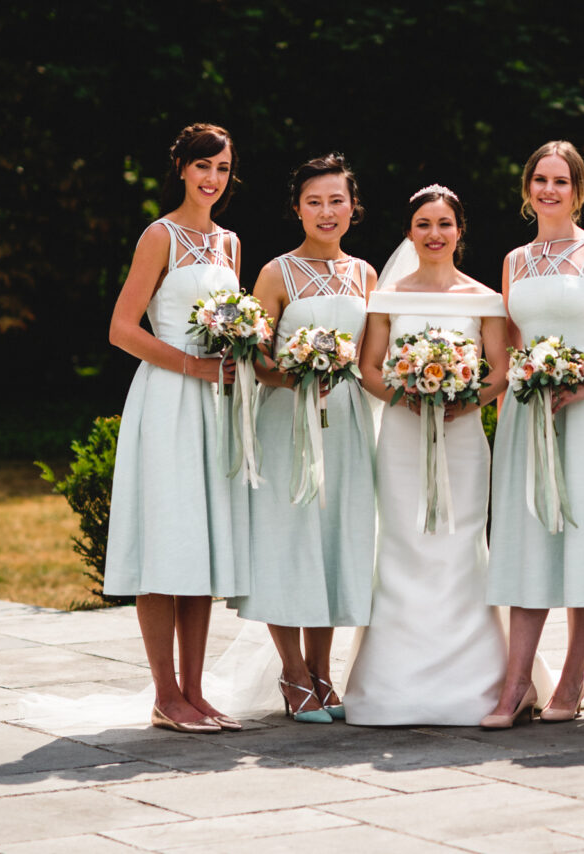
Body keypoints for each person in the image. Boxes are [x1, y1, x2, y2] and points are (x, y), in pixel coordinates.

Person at [483, 141, 584, 727]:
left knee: (583, 537)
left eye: (561, 181)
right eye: (540, 180)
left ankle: (573, 677)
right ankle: (516, 683)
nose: (549, 190)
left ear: (578, 189)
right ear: (528, 188)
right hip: (529, 413)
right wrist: (507, 408)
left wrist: (582, 387)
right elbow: (509, 345)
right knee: (527, 541)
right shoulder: (514, 261)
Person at [343, 184, 511, 725]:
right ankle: (391, 681)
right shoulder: (387, 298)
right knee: (402, 541)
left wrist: (465, 399)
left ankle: (477, 680)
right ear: (409, 232)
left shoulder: (484, 299)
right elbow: (369, 368)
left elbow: (501, 370)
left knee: (461, 544)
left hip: (462, 438)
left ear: (459, 231)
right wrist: (406, 394)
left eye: (444, 224)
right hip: (401, 434)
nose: (434, 234)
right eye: (423, 224)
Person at [104, 123, 248, 733]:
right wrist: (192, 365)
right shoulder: (159, 236)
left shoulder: (231, 244)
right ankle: (165, 693)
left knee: (201, 542)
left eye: (221, 168)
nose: (211, 178)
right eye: (202, 166)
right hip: (169, 400)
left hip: (216, 408)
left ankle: (196, 689)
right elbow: (121, 329)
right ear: (183, 170)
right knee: (167, 540)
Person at [226, 154, 377, 724]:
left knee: (335, 540)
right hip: (287, 419)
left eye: (336, 200)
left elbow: (372, 356)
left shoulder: (365, 274)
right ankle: (292, 672)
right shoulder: (276, 273)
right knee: (290, 541)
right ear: (297, 208)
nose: (326, 211)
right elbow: (256, 357)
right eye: (314, 201)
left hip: (346, 421)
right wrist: (295, 372)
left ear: (352, 206)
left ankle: (323, 670)